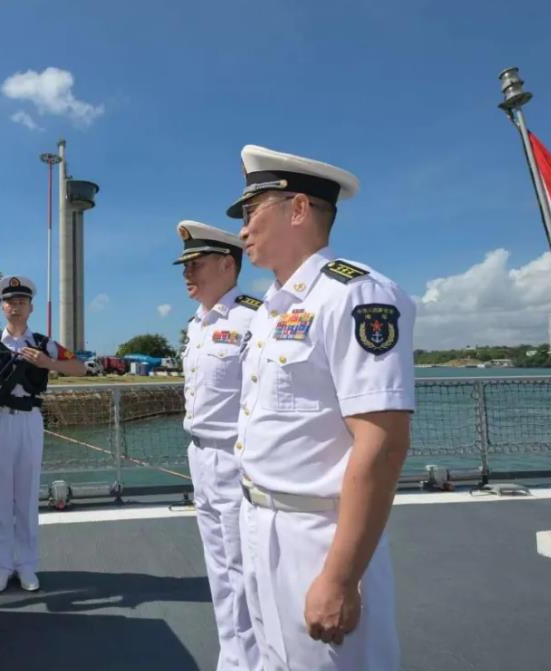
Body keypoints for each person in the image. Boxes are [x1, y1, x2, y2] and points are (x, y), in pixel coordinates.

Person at [228, 144, 415, 670]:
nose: (243, 231)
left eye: (251, 212)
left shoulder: (355, 296)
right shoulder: (270, 309)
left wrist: (340, 577)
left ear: (298, 209)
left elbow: (382, 442)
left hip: (317, 536)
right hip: (259, 521)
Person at [174, 220, 263, 671]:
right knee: (219, 566)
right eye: (184, 266)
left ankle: (253, 661)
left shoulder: (253, 318)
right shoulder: (198, 323)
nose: (187, 274)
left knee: (244, 568)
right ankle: (232, 656)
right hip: (200, 454)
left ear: (228, 265)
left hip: (236, 457)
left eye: (197, 264)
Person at [0, 275, 85, 594]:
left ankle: (27, 565)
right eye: (10, 302)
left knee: (27, 496)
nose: (15, 307)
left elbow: (80, 367)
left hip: (30, 420)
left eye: (21, 302)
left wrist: (47, 362)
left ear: (31, 307)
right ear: (2, 307)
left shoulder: (44, 344)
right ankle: (2, 566)